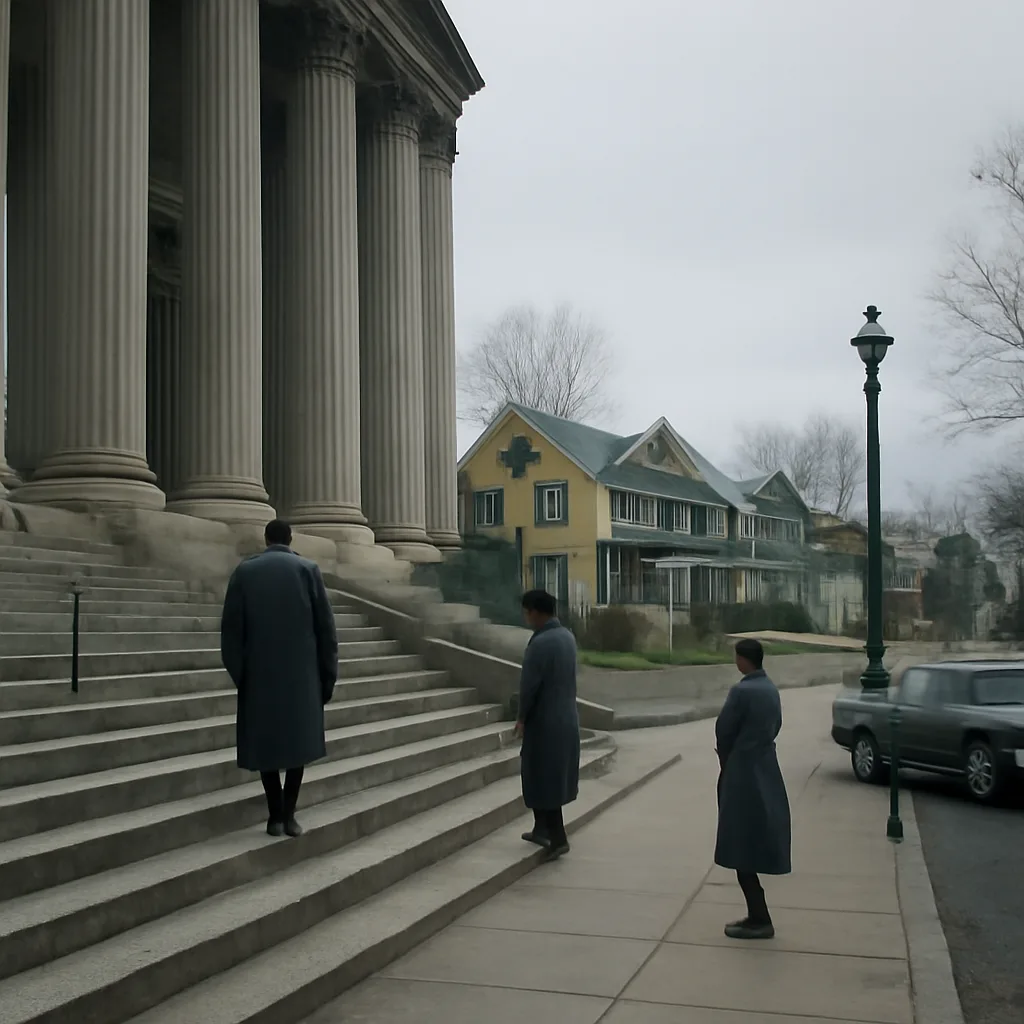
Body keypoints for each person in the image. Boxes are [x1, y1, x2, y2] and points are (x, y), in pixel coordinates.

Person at [220, 519, 338, 838]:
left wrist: (242, 675)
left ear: (266, 539)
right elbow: (326, 631)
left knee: (266, 746)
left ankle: (274, 815)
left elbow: (230, 633)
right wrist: (327, 678)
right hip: (303, 678)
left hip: (259, 677)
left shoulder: (245, 572)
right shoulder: (308, 570)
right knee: (297, 746)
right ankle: (290, 813)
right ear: (290, 538)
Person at [713, 637, 792, 939]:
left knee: (740, 842)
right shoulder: (770, 689)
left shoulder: (741, 691)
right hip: (766, 769)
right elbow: (776, 726)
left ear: (743, 660)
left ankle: (759, 917)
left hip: (742, 771)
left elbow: (723, 731)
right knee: (753, 838)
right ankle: (758, 914)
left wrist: (726, 761)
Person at [514, 588, 581, 860]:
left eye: (527, 612)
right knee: (549, 776)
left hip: (545, 722)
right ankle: (540, 827)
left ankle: (558, 837)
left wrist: (520, 718)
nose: (526, 618)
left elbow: (529, 686)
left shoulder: (540, 643)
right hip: (566, 717)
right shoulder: (567, 637)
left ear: (535, 612)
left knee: (541, 777)